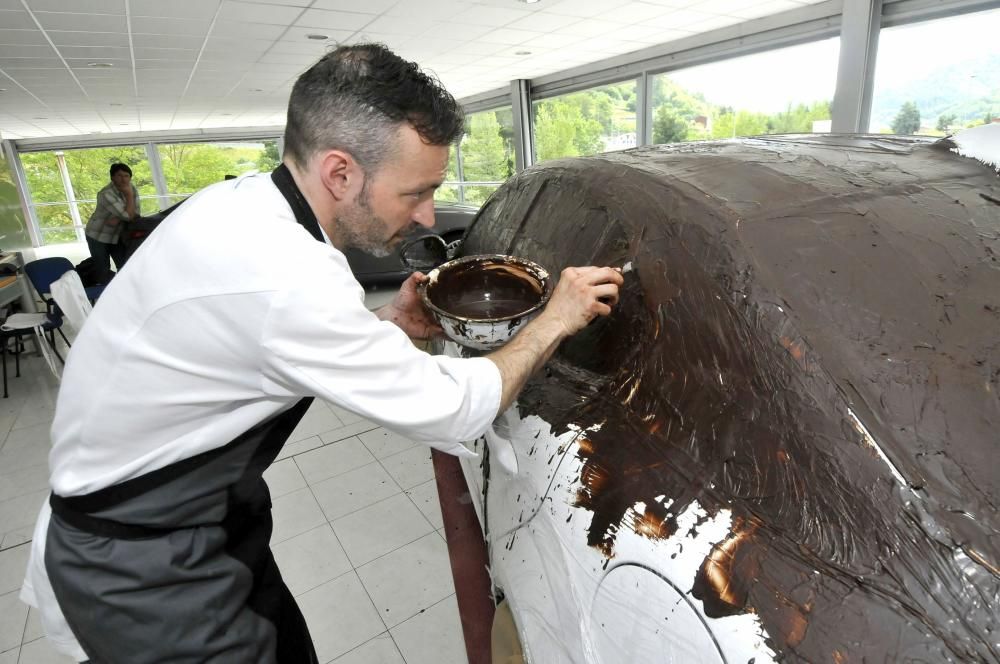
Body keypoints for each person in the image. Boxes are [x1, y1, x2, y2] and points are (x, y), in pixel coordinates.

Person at [21, 43, 623, 663]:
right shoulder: (286, 274)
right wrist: (555, 319)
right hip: (145, 569)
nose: (424, 216)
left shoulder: (243, 205)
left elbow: (264, 339)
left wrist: (385, 323)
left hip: (198, 521)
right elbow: (454, 410)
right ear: (340, 173)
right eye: (417, 192)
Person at [84, 162, 139, 274]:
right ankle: (104, 289)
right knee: (103, 268)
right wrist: (129, 196)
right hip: (98, 235)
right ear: (112, 177)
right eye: (119, 175)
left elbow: (135, 214)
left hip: (117, 234)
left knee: (124, 264)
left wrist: (119, 218)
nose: (123, 179)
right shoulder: (106, 193)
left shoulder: (131, 188)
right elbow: (128, 216)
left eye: (126, 176)